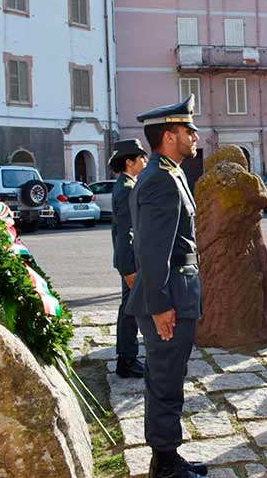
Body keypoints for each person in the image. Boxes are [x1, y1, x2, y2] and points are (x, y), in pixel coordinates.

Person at [125, 96, 207, 478]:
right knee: (164, 379)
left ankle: (168, 456)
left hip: (176, 289)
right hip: (169, 294)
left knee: (170, 377)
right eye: (189, 129)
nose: (195, 135)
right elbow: (153, 251)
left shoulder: (167, 172)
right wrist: (160, 306)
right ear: (170, 135)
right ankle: (164, 462)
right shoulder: (159, 179)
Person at [110, 138, 149, 378]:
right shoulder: (126, 189)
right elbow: (125, 233)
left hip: (131, 260)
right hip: (130, 262)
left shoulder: (128, 184)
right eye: (141, 157)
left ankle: (127, 358)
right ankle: (126, 360)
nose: (145, 161)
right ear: (129, 162)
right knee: (129, 310)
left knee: (130, 309)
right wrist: (128, 269)